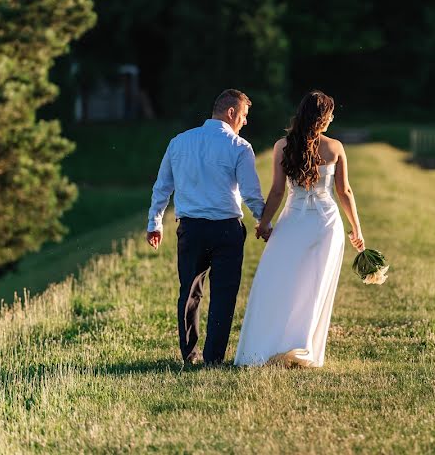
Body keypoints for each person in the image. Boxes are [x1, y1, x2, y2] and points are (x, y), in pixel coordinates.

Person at [234, 90, 364, 368]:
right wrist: (357, 229)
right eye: (330, 114)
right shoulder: (335, 148)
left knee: (279, 281)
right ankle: (302, 347)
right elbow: (345, 191)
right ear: (324, 117)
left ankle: (272, 344)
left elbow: (278, 191)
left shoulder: (282, 146)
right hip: (326, 223)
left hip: (293, 222)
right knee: (315, 286)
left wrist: (264, 222)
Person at [146, 89, 266, 366]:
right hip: (227, 230)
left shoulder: (179, 142)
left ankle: (190, 355)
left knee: (189, 291)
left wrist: (155, 223)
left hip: (191, 229)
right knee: (224, 293)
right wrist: (264, 222)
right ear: (231, 113)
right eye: (244, 116)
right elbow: (250, 193)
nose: (245, 122)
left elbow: (162, 187)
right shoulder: (239, 147)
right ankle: (213, 358)